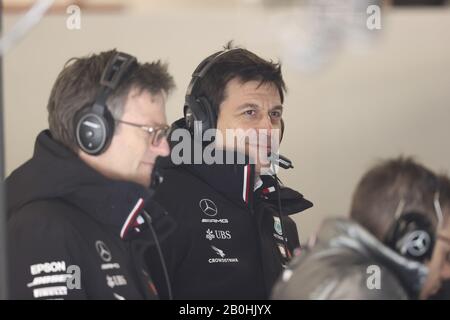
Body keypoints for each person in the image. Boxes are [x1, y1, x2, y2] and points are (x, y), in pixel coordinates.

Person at [7, 49, 175, 299]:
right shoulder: (43, 229)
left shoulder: (113, 220)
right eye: (152, 131)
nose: (164, 148)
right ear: (92, 132)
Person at [149, 43, 313, 299]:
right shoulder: (159, 203)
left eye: (274, 114)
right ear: (203, 122)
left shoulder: (278, 215)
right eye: (250, 113)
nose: (268, 129)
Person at [272, 157, 450, 300]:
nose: (447, 272)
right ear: (412, 241)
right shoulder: (368, 289)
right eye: (446, 255)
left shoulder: (323, 264)